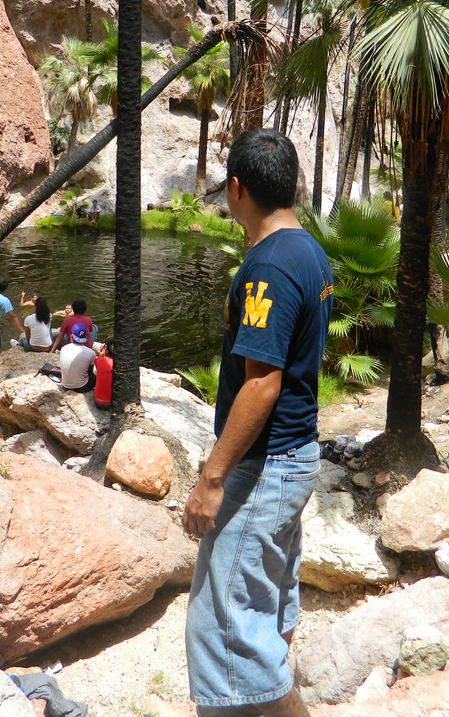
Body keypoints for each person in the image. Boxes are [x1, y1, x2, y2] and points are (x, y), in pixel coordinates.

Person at [183, 128, 334, 717]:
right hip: (296, 456)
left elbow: (262, 383)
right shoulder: (309, 250)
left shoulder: (267, 268)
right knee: (267, 605)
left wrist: (212, 477)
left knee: (225, 625)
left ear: (237, 188)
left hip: (263, 466)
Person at [59, 324, 97, 391]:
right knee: (95, 375)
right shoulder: (91, 353)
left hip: (65, 385)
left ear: (71, 336)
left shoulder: (63, 348)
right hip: (82, 387)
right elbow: (90, 371)